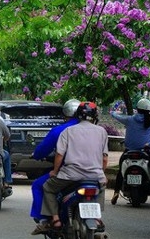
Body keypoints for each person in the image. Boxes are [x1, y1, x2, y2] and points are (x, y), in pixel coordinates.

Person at [38, 102, 108, 233]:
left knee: (48, 187)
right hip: (94, 176)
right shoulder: (102, 132)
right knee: (101, 187)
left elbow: (59, 155)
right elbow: (104, 158)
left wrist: (55, 171)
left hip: (70, 175)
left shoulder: (68, 131)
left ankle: (56, 219)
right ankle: (98, 218)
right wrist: (101, 173)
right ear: (94, 116)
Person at [29, 99, 80, 235]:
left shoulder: (60, 130)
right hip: (93, 173)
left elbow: (46, 151)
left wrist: (37, 155)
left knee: (39, 185)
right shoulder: (96, 131)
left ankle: (45, 220)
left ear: (65, 114)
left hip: (67, 172)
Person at [110, 98, 150, 205]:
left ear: (137, 109)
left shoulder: (129, 120)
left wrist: (112, 112)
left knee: (120, 171)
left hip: (129, 151)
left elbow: (117, 116)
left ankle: (116, 192)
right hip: (145, 152)